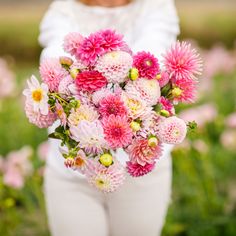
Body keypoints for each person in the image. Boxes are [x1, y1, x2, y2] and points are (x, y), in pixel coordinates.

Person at [39, 0, 179, 235]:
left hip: (140, 168)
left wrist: (86, 84)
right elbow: (55, 58)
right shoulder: (62, 9)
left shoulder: (157, 6)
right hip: (72, 170)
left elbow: (153, 54)